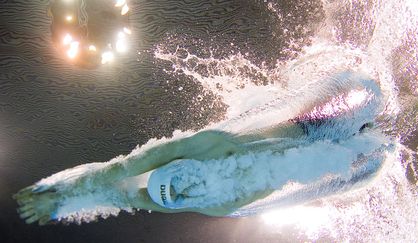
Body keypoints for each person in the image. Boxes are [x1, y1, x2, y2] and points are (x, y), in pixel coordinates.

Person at [14, 74, 384, 225]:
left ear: (176, 166)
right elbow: (117, 199)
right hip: (314, 161)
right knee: (378, 151)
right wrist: (64, 203)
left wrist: (58, 196)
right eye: (181, 195)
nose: (188, 188)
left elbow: (116, 174)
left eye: (180, 181)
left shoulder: (205, 146)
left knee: (371, 95)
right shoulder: (215, 204)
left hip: (309, 126)